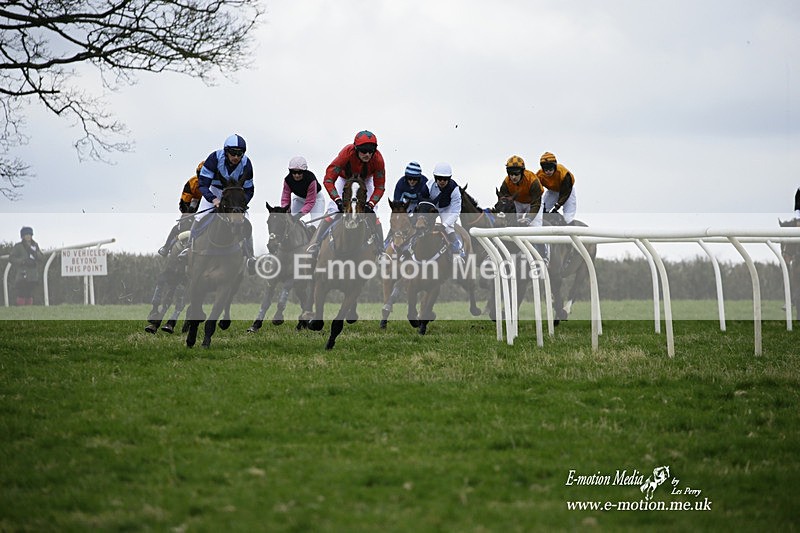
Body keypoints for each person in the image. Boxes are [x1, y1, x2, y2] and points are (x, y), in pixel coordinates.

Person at [307, 130, 387, 257]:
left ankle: (381, 250)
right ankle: (316, 244)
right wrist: (338, 199)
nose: (367, 154)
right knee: (333, 209)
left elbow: (380, 186)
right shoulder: (346, 153)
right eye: (364, 151)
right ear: (356, 149)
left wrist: (370, 204)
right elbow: (328, 179)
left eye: (371, 151)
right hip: (345, 179)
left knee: (373, 214)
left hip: (365, 181)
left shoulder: (378, 159)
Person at [195, 133, 256, 272]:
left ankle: (250, 256)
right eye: (233, 153)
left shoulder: (246, 164)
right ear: (226, 151)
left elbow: (249, 189)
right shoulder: (214, 158)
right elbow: (203, 184)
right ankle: (188, 248)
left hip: (234, 196)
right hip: (215, 191)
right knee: (199, 217)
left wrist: (241, 204)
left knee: (246, 220)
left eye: (239, 154)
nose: (236, 157)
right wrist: (213, 199)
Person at [158, 161, 204, 256]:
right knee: (184, 221)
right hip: (195, 206)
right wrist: (188, 214)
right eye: (201, 175)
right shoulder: (192, 183)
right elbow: (184, 203)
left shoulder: (218, 183)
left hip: (211, 206)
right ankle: (166, 247)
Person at [427, 162, 466, 264]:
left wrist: (444, 225)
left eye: (445, 179)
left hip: (447, 209)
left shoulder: (455, 190)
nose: (442, 181)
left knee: (449, 228)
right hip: (433, 208)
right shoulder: (429, 185)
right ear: (435, 178)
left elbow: (456, 212)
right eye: (439, 178)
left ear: (449, 179)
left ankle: (457, 253)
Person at [499, 155, 544, 226]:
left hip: (532, 203)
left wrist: (529, 218)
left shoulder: (533, 181)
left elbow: (536, 204)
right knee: (510, 223)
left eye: (516, 174)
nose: (513, 177)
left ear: (522, 172)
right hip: (517, 202)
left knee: (534, 225)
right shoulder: (506, 182)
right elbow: (503, 201)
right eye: (511, 174)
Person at [281, 156, 325, 227]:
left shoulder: (311, 179)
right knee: (289, 220)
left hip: (316, 200)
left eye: (300, 172)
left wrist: (299, 215)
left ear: (304, 171)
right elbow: (285, 199)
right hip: (298, 199)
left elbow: (310, 202)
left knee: (316, 226)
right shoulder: (287, 180)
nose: (296, 175)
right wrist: (284, 210)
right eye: (293, 172)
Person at [536, 151, 577, 224]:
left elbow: (565, 193)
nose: (548, 172)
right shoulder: (539, 175)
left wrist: (557, 207)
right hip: (552, 191)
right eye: (546, 170)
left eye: (550, 169)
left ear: (555, 166)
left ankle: (570, 225)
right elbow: (536, 190)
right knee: (541, 210)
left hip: (567, 192)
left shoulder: (563, 173)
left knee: (568, 217)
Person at [10, 226, 45, 305]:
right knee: (21, 293)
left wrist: (35, 254)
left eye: (30, 234)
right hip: (23, 273)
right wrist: (23, 262)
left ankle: (29, 309)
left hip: (33, 274)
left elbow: (41, 257)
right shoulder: (18, 246)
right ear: (23, 236)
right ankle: (21, 308)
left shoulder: (35, 245)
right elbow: (11, 258)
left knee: (30, 293)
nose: (28, 236)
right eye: (26, 234)